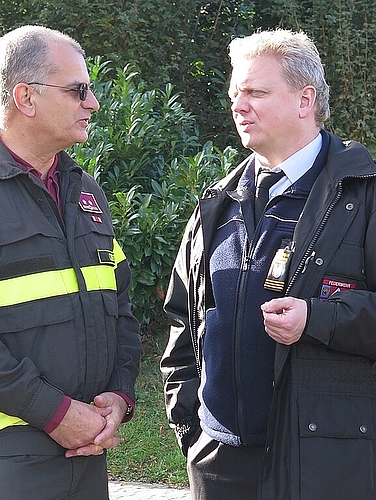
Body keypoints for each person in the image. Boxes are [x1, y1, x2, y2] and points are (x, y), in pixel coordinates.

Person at [161, 28, 376, 500]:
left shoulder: (366, 196)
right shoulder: (216, 203)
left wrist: (318, 318)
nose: (238, 105)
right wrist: (190, 428)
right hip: (218, 465)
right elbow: (183, 319)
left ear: (305, 100)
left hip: (328, 470)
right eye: (235, 94)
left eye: (255, 92)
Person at [0, 25, 142, 500]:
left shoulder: (86, 192)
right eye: (79, 89)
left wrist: (119, 395)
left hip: (88, 452)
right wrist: (56, 413)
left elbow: (120, 306)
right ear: (26, 97)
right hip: (1, 460)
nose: (93, 102)